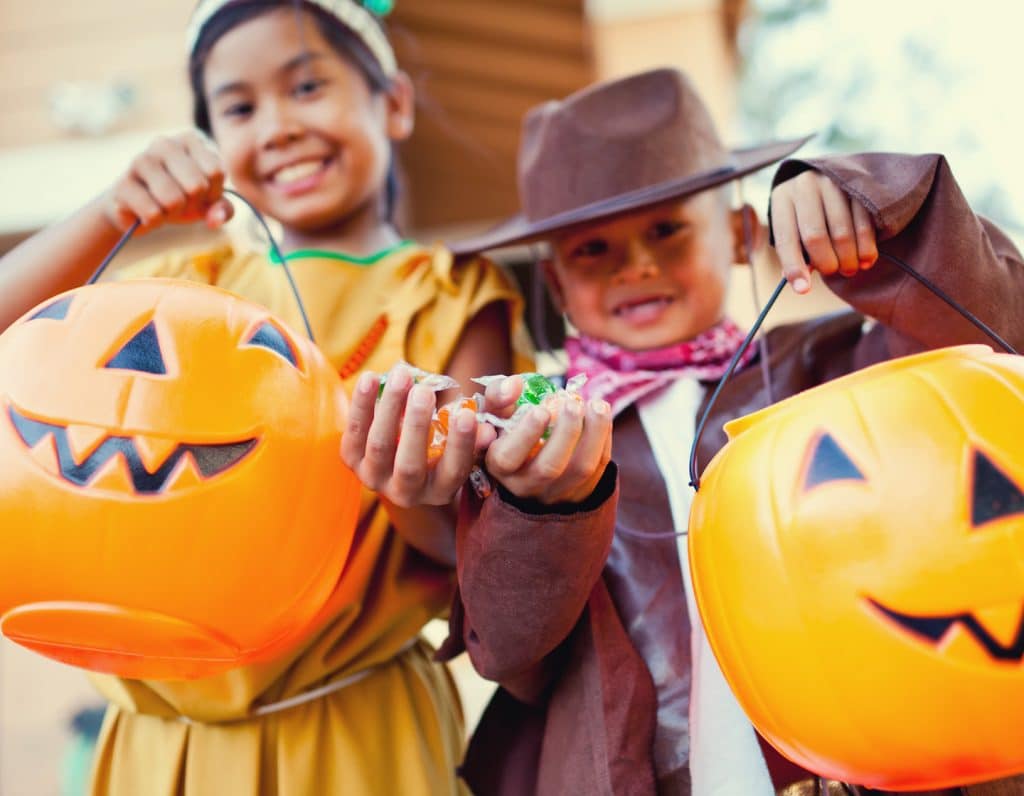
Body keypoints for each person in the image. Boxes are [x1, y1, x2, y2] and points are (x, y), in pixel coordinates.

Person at [439, 67, 1024, 795]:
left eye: (667, 230)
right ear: (556, 286)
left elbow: (992, 345)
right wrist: (541, 506)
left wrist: (868, 203)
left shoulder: (833, 365)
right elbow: (506, 651)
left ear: (744, 233)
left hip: (855, 763)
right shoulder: (531, 432)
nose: (638, 265)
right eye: (593, 250)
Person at [0, 1, 529, 793]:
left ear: (394, 103)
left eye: (307, 87)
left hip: (349, 733)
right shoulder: (191, 283)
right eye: (240, 107)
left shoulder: (448, 292)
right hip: (154, 740)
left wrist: (407, 491)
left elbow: (469, 548)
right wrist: (115, 211)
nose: (277, 126)